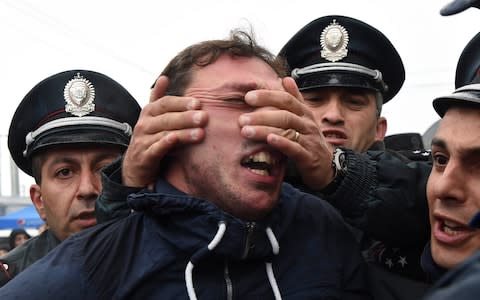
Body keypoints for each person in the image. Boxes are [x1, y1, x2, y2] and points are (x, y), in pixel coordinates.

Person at [0, 30, 371, 299]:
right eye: (241, 100)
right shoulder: (86, 269)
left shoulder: (323, 229)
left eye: (281, 106)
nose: (271, 123)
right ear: (167, 118)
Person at [0, 69, 141, 286]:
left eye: (105, 168)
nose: (87, 189)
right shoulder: (9, 282)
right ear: (39, 201)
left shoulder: (175, 266)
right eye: (64, 172)